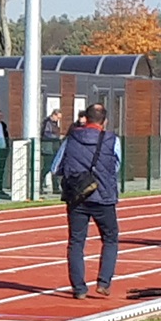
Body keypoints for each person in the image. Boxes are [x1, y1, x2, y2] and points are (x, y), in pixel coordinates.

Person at [52, 104, 122, 298]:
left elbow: (56, 166)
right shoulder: (112, 140)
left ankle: (79, 288)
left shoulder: (71, 137)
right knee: (110, 238)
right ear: (104, 121)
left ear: (86, 118)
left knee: (76, 242)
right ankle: (104, 282)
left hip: (77, 196)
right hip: (103, 197)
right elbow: (116, 166)